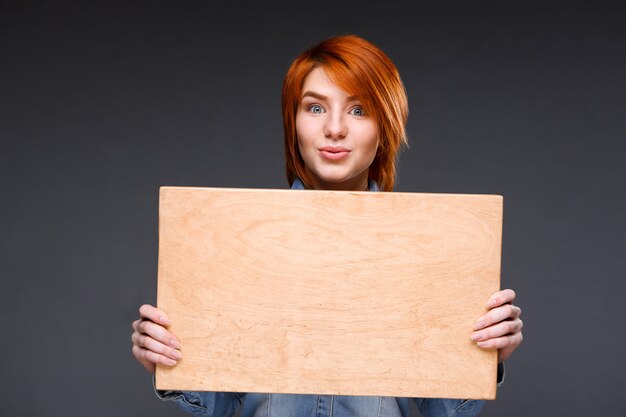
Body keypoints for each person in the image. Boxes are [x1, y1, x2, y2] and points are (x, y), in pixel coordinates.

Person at [131, 34, 523, 417]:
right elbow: (217, 403)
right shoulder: (236, 244)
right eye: (315, 108)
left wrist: (487, 359)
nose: (334, 128)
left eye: (358, 110)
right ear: (293, 121)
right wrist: (168, 361)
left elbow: (444, 409)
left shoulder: (429, 252)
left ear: (385, 126)